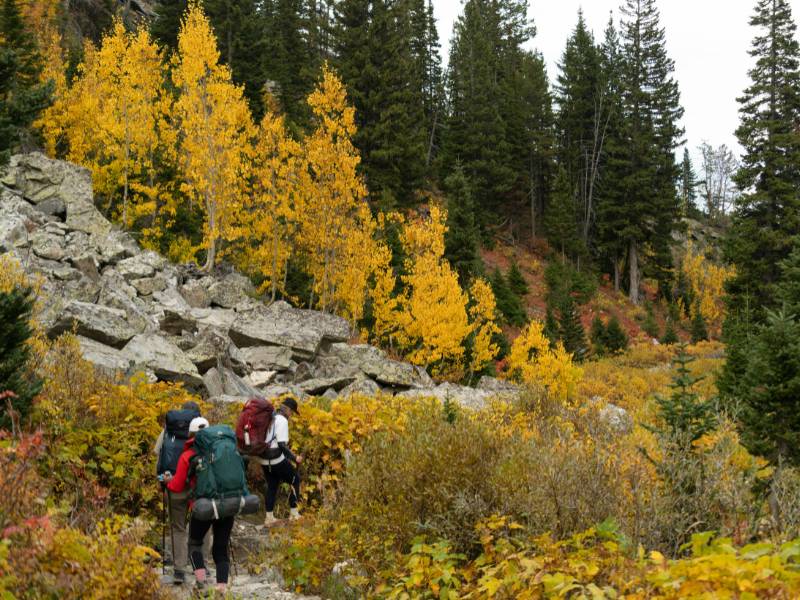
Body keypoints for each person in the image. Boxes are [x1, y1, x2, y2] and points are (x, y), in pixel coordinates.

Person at [165, 417, 233, 595]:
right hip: (227, 504)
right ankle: (222, 587)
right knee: (221, 547)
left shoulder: (188, 455)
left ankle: (201, 582)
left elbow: (177, 485)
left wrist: (167, 482)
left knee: (194, 543)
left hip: (204, 506)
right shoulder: (224, 449)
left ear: (190, 433)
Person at [154, 401, 209, 585]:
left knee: (177, 527)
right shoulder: (203, 431)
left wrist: (161, 482)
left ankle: (179, 571)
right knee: (203, 526)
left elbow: (158, 454)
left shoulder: (168, 430)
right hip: (198, 486)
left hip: (174, 484)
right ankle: (203, 567)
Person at [259, 397, 303, 526]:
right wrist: (295, 458)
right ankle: (294, 514)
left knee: (272, 486)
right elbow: (282, 445)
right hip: (275, 458)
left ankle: (269, 518)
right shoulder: (282, 420)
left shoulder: (271, 417)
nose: (291, 415)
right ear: (288, 409)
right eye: (292, 412)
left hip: (263, 458)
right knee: (295, 479)